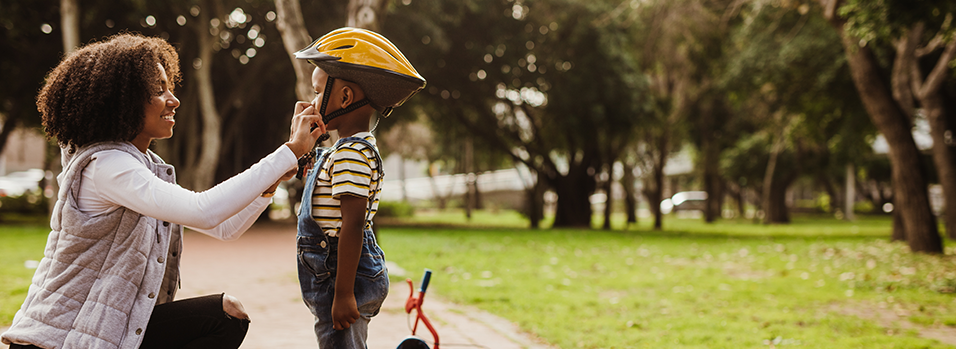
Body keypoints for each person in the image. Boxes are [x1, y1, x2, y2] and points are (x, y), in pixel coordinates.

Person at [0, 33, 324, 349]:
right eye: (159, 90)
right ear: (123, 101)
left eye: (171, 87)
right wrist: (290, 150)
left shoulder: (143, 165)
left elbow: (224, 228)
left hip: (108, 331)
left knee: (227, 316)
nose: (174, 100)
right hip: (58, 340)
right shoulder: (106, 166)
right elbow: (204, 210)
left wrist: (268, 187)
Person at [293, 27, 426, 348]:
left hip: (341, 277)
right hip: (335, 275)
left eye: (316, 92)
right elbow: (307, 182)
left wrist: (343, 294)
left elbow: (352, 225)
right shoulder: (340, 151)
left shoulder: (352, 153)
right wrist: (301, 144)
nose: (309, 101)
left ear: (344, 98)